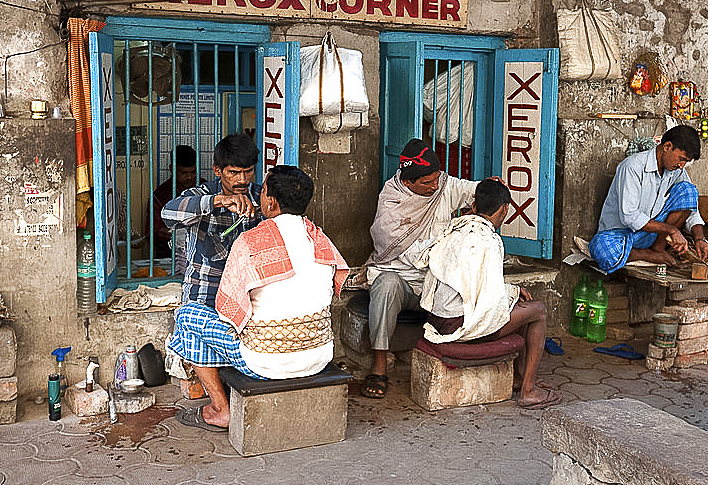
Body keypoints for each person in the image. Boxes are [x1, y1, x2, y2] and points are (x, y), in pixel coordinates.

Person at [168, 165, 348, 431]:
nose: (259, 195)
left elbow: (229, 309)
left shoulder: (250, 242)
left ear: (272, 202)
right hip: (318, 357)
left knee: (187, 316)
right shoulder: (320, 239)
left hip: (264, 363)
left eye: (262, 191)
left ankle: (220, 409)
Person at [419, 179, 559, 409]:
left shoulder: (456, 229)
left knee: (520, 304)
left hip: (437, 319)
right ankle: (529, 390)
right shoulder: (489, 240)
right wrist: (511, 295)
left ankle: (519, 376)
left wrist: (513, 292)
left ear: (474, 207)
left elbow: (472, 281)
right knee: (538, 311)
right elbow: (489, 301)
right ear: (505, 209)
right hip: (457, 326)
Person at [363, 138, 480, 399]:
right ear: (408, 182)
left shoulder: (443, 186)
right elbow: (410, 253)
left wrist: (487, 191)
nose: (435, 186)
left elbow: (471, 191)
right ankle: (380, 364)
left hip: (436, 282)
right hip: (404, 282)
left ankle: (449, 360)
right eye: (427, 183)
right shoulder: (391, 198)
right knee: (385, 285)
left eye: (437, 178)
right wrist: (449, 239)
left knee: (467, 282)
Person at [589, 125, 708, 274]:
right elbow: (629, 216)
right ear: (667, 146)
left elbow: (691, 207)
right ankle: (648, 255)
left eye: (685, 162)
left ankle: (658, 249)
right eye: (681, 159)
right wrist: (672, 230)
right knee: (602, 250)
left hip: (651, 236)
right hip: (619, 236)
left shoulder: (677, 171)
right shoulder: (632, 167)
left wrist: (700, 239)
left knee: (688, 191)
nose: (682, 166)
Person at [161, 133, 262, 307]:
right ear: (217, 170)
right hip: (205, 293)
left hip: (248, 294)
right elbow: (168, 214)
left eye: (249, 171)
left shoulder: (261, 196)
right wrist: (219, 200)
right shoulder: (202, 194)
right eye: (234, 173)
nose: (243, 180)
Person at [147, 145, 199, 258]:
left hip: (200, 252)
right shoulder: (159, 196)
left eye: (193, 172)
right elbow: (150, 234)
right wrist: (163, 233)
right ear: (172, 169)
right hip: (169, 255)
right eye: (184, 173)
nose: (189, 177)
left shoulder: (204, 189)